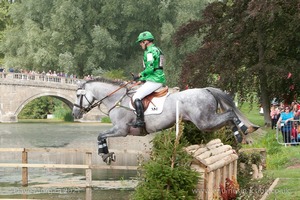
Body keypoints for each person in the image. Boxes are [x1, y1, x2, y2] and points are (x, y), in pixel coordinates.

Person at [127, 31, 166, 128]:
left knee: (136, 97)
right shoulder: (157, 49)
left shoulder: (149, 51)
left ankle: (140, 121)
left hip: (155, 80)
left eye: (141, 42)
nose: (140, 45)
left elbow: (150, 68)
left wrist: (140, 74)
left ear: (146, 41)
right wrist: (142, 79)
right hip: (154, 78)